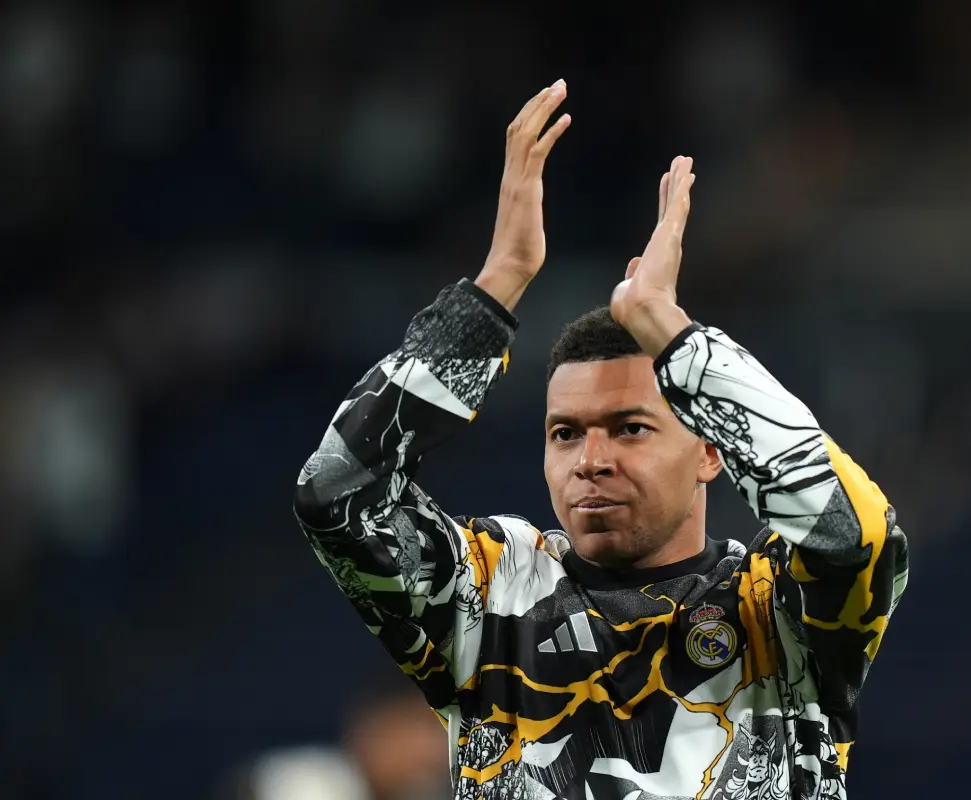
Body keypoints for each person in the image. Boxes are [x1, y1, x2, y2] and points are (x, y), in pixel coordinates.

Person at [293, 79, 910, 800]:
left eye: (631, 429)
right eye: (565, 434)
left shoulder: (778, 611)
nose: (592, 460)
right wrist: (493, 292)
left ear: (713, 449)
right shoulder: (490, 596)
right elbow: (337, 494)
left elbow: (859, 535)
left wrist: (678, 342)